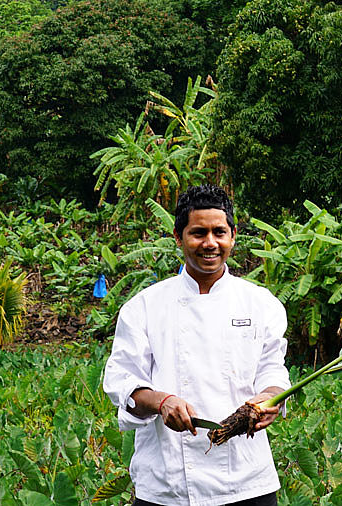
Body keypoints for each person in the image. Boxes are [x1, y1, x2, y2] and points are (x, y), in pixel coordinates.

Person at [103, 184, 290, 506]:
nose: (210, 243)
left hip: (247, 478)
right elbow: (122, 380)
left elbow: (272, 369)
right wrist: (163, 401)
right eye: (198, 233)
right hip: (167, 480)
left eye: (219, 232)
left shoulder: (261, 303)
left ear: (233, 235)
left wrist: (270, 399)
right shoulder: (145, 306)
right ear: (179, 237)